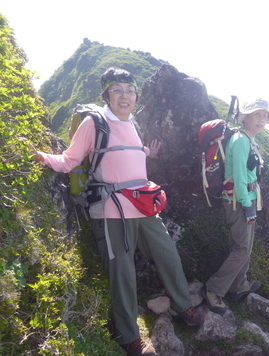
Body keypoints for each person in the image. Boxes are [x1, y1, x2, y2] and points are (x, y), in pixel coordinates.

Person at [31, 67, 206, 356]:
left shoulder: (134, 124)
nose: (124, 95)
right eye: (117, 90)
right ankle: (129, 336)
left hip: (142, 205)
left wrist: (149, 154)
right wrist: (42, 157)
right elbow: (70, 159)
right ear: (106, 95)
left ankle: (182, 305)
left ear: (136, 95)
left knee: (168, 254)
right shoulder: (94, 123)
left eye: (129, 90)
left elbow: (127, 153)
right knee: (122, 273)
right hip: (112, 211)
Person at [201, 98, 269, 314]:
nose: (262, 119)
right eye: (258, 115)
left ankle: (239, 285)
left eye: (265, 116)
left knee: (244, 246)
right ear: (246, 117)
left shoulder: (247, 138)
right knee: (242, 249)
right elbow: (239, 176)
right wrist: (247, 206)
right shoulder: (241, 141)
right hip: (238, 199)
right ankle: (213, 290)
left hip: (244, 197)